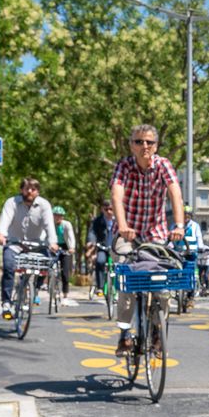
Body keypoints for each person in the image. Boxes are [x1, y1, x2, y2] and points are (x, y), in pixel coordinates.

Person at [110, 124, 185, 355]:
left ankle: (156, 332)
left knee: (162, 285)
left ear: (156, 145)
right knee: (127, 282)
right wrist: (122, 225)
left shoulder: (163, 165)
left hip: (156, 234)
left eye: (150, 142)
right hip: (128, 234)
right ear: (131, 144)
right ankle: (124, 334)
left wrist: (179, 226)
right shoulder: (124, 166)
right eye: (139, 141)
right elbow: (116, 193)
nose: (145, 146)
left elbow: (175, 193)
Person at [0, 178, 59, 319]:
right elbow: (5, 220)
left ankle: (34, 290)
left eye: (33, 189)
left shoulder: (44, 205)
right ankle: (6, 302)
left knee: (46, 264)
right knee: (8, 267)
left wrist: (53, 242)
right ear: (21, 190)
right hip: (14, 243)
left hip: (36, 245)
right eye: (26, 188)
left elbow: (49, 225)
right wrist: (1, 234)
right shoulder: (11, 202)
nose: (29, 191)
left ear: (38, 191)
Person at [86, 201, 116, 299]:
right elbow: (92, 232)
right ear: (102, 209)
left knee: (120, 266)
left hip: (116, 248)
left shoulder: (118, 220)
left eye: (111, 209)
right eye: (106, 209)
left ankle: (119, 287)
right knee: (100, 261)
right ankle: (100, 287)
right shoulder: (97, 221)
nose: (109, 212)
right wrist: (91, 242)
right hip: (102, 247)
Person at [53, 206, 77, 306]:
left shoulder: (66, 225)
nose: (58, 218)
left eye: (60, 216)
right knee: (48, 266)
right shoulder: (50, 224)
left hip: (66, 247)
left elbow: (71, 236)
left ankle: (65, 295)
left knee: (65, 273)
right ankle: (49, 285)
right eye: (56, 216)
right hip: (53, 246)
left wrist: (72, 248)